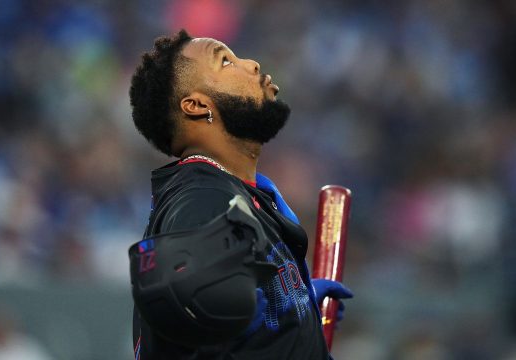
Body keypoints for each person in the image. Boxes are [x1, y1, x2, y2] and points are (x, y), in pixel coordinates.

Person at [128, 29, 353, 360]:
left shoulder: (240, 195)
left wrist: (293, 314)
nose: (251, 64)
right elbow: (185, 326)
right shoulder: (202, 199)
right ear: (197, 105)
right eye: (225, 61)